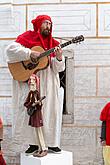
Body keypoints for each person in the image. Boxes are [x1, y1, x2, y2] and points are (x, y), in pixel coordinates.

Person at [6, 15, 65, 155]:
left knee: (50, 112)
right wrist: (29, 53)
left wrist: (59, 58)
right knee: (31, 113)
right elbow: (10, 50)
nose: (48, 26)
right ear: (38, 24)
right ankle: (33, 144)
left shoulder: (54, 43)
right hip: (31, 82)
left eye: (50, 24)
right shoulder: (27, 38)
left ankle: (51, 143)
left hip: (49, 83)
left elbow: (59, 69)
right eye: (45, 23)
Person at [24, 74, 47, 157]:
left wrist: (39, 103)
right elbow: (26, 103)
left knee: (39, 131)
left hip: (37, 114)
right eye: (30, 83)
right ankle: (40, 149)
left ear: (36, 84)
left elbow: (40, 107)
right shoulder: (30, 93)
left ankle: (44, 148)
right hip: (33, 114)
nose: (31, 85)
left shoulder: (37, 93)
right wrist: (31, 104)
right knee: (36, 132)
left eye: (33, 84)